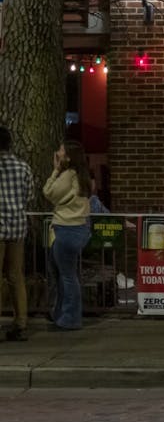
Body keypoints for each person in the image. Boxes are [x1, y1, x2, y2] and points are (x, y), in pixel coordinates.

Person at [43, 140, 93, 330]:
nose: (58, 152)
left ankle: (70, 319)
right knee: (61, 272)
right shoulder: (81, 176)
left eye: (61, 151)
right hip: (77, 228)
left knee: (67, 276)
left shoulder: (68, 175)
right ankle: (60, 313)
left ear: (68, 157)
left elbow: (48, 192)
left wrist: (55, 170)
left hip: (66, 228)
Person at [0, 125, 35, 342]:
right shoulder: (22, 167)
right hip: (17, 226)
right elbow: (29, 195)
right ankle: (20, 323)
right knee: (16, 276)